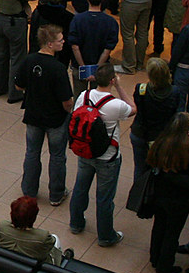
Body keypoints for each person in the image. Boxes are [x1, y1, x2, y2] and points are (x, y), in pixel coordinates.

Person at [68, 63, 135, 246]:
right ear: (112, 80)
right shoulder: (116, 105)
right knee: (104, 198)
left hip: (85, 153)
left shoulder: (84, 95)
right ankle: (105, 236)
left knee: (80, 188)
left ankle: (76, 223)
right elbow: (133, 108)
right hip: (108, 158)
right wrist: (120, 86)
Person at [15, 24, 74, 205]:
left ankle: (29, 191)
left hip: (33, 115)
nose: (63, 42)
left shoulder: (29, 60)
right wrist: (69, 112)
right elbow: (67, 101)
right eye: (60, 40)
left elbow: (19, 85)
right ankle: (56, 194)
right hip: (55, 119)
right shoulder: (58, 68)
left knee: (32, 153)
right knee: (57, 156)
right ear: (49, 44)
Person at [147, 112, 189, 273]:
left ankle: (155, 258)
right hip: (177, 201)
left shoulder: (163, 142)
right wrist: (171, 174)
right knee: (171, 234)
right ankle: (164, 267)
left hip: (159, 195)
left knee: (159, 227)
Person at [130, 58, 183, 179]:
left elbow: (138, 105)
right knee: (158, 168)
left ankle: (138, 193)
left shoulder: (141, 89)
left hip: (140, 133)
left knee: (139, 168)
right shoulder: (174, 91)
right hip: (161, 135)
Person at [68, 0, 119, 97]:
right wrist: (96, 69)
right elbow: (107, 50)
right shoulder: (111, 22)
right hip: (101, 70)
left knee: (79, 99)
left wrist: (84, 68)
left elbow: (75, 47)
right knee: (98, 101)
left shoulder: (77, 20)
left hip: (79, 67)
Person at [28, 0, 74, 67]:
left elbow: (33, 35)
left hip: (39, 55)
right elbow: (68, 42)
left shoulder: (38, 12)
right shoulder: (68, 17)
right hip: (60, 59)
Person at [170, 5, 189, 117]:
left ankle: (179, 128)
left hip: (184, 69)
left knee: (179, 102)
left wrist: (171, 68)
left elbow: (178, 51)